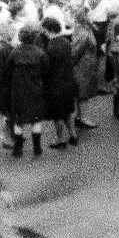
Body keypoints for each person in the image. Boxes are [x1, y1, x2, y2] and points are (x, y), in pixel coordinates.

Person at [7, 23, 48, 158]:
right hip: (36, 90)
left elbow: (8, 70)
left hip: (18, 90)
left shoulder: (14, 52)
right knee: (36, 119)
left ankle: (18, 148)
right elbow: (46, 71)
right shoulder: (40, 53)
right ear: (34, 37)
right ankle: (37, 147)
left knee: (18, 119)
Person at [41, 17, 77, 149]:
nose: (43, 32)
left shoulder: (50, 47)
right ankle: (73, 136)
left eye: (44, 30)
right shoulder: (66, 42)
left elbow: (46, 68)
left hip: (55, 85)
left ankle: (60, 140)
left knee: (57, 115)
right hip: (68, 81)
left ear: (49, 30)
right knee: (68, 111)